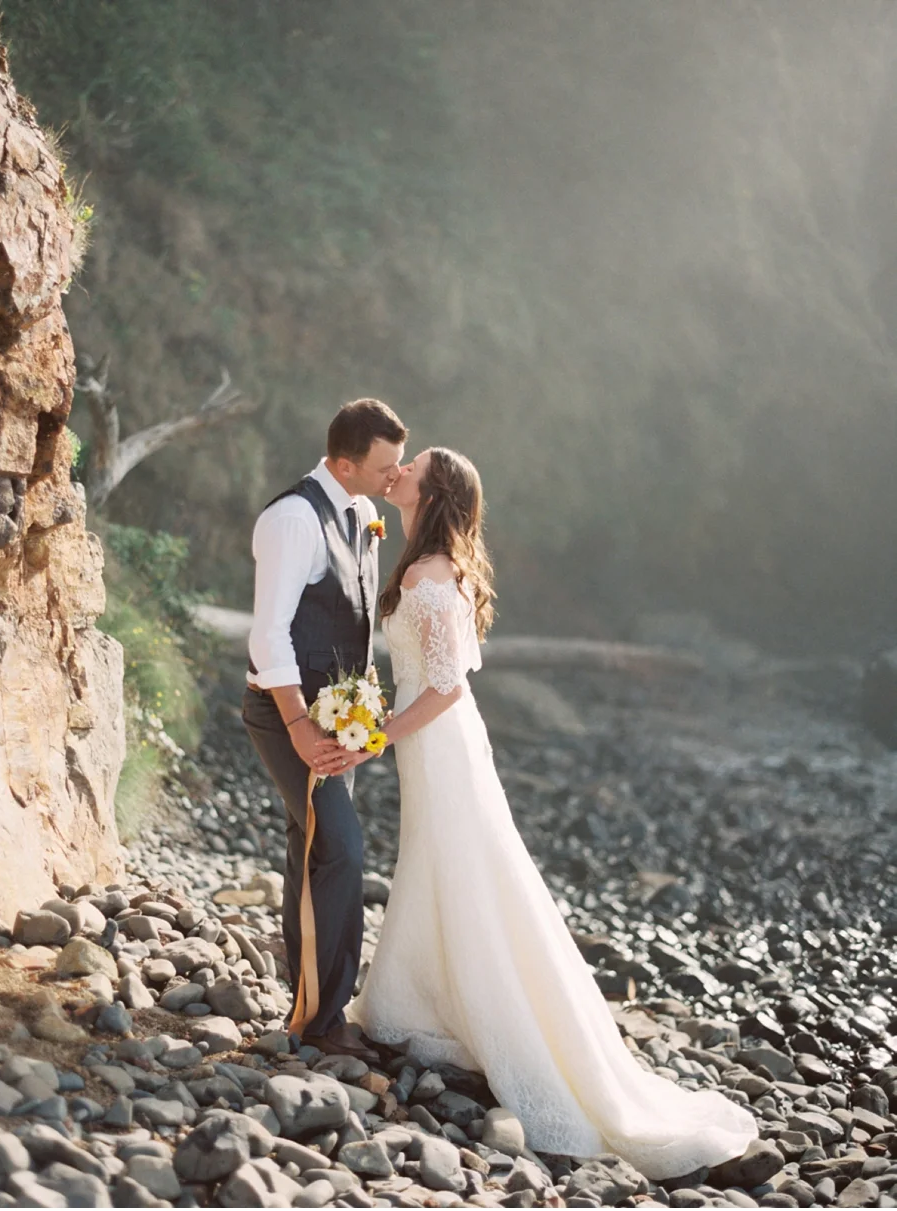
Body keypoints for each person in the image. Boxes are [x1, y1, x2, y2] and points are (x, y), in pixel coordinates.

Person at [315, 447, 758, 1178]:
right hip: (436, 743)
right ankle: (422, 997)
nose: (401, 469)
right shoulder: (422, 564)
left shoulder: (431, 576)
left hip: (440, 742)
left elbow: (447, 686)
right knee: (435, 861)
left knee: (463, 865)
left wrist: (374, 737)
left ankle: (484, 1020)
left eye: (413, 466)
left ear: (435, 491)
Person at [242, 398, 406, 1061]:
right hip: (290, 716)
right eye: (386, 466)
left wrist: (360, 715)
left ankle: (309, 1007)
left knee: (313, 847)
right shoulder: (291, 519)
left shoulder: (363, 513)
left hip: (339, 719)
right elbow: (267, 633)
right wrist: (301, 726)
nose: (394, 477)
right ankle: (323, 1015)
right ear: (344, 462)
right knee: (341, 849)